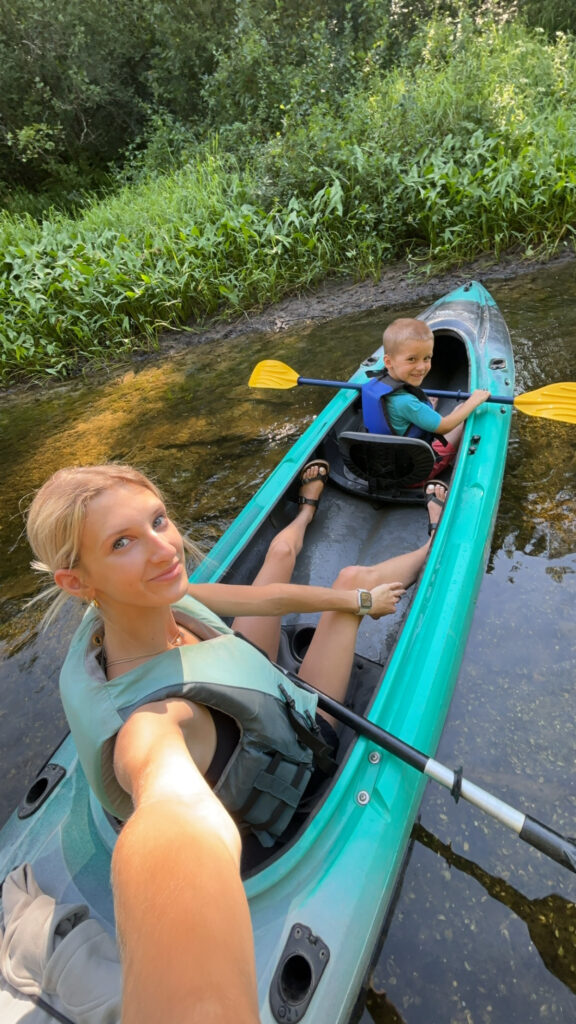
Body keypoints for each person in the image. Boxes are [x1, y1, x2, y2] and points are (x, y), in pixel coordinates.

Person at [25, 461, 448, 1023]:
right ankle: (432, 542)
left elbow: (267, 600)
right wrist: (356, 600)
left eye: (159, 520)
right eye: (123, 542)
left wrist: (363, 609)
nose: (164, 549)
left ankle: (309, 505)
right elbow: (170, 817)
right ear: (77, 582)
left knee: (276, 557)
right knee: (348, 580)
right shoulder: (153, 726)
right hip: (296, 745)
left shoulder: (149, 599)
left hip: (247, 682)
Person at [360, 317, 491, 478]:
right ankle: (453, 464)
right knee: (461, 412)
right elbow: (445, 426)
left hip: (381, 462)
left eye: (427, 358)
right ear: (388, 361)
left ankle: (426, 413)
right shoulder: (406, 403)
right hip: (413, 472)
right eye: (411, 359)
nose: (421, 367)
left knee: (426, 407)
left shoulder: (376, 383)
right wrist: (473, 401)